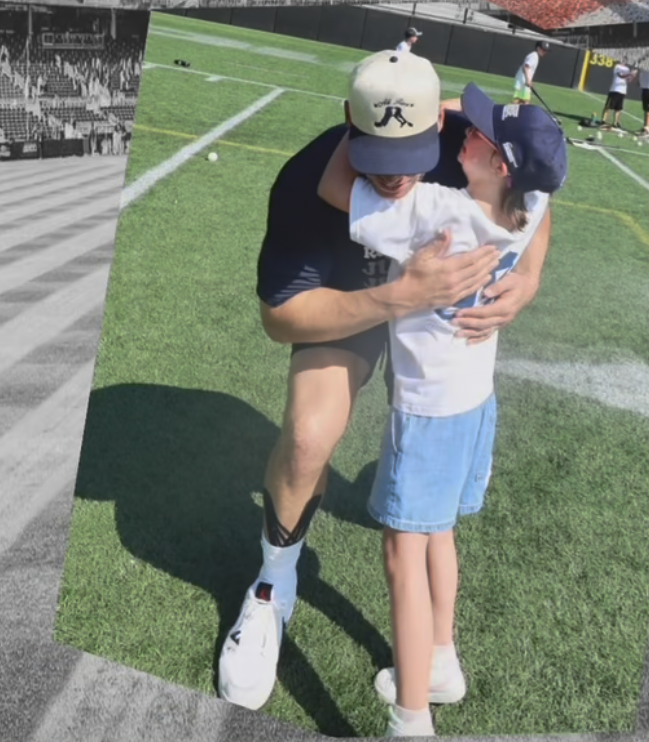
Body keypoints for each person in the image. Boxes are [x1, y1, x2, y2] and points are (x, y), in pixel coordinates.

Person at [217, 50, 554, 715]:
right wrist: (399, 299)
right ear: (350, 122)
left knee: (418, 529)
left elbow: (537, 202)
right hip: (354, 305)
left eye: (410, 158)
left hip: (439, 341)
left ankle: (423, 688)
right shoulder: (307, 180)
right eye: (376, 157)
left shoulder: (466, 146)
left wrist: (530, 281)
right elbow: (280, 317)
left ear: (443, 127)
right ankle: (273, 584)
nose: (393, 179)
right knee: (311, 436)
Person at [318, 65, 566, 736]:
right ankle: (443, 658)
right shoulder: (525, 208)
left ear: (494, 161)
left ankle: (412, 715)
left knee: (404, 551)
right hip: (473, 404)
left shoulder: (431, 211)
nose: (463, 125)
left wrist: (371, 119)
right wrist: (469, 118)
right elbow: (541, 190)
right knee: (438, 535)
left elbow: (335, 185)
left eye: (477, 130)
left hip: (426, 412)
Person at [512, 40, 549, 105]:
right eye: (543, 50)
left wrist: (529, 81)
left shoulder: (535, 56)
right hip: (523, 82)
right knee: (523, 103)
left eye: (545, 50)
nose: (544, 52)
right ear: (538, 48)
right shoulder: (534, 56)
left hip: (523, 81)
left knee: (520, 103)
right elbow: (526, 67)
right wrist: (528, 81)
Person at [601, 58, 634, 130]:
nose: (623, 61)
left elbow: (629, 80)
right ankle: (603, 121)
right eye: (622, 59)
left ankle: (616, 123)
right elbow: (621, 76)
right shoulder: (617, 66)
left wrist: (632, 76)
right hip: (615, 89)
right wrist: (630, 74)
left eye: (625, 60)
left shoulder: (627, 69)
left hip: (622, 91)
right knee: (609, 106)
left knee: (618, 108)